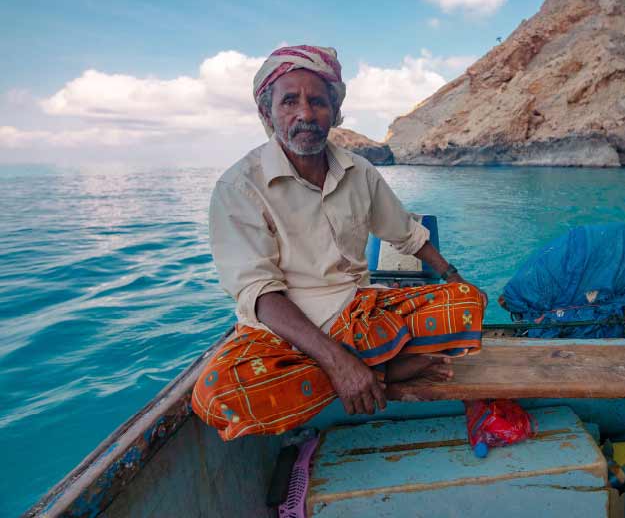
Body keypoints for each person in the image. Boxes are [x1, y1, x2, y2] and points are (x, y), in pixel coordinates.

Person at [191, 45, 485, 441]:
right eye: (289, 101)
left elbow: (406, 234)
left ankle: (367, 369)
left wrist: (453, 277)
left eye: (317, 101)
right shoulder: (239, 185)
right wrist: (338, 364)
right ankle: (382, 369)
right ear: (267, 113)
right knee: (217, 396)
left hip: (358, 311)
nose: (306, 114)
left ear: (335, 110)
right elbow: (258, 292)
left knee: (468, 303)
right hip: (284, 334)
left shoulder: (358, 171)